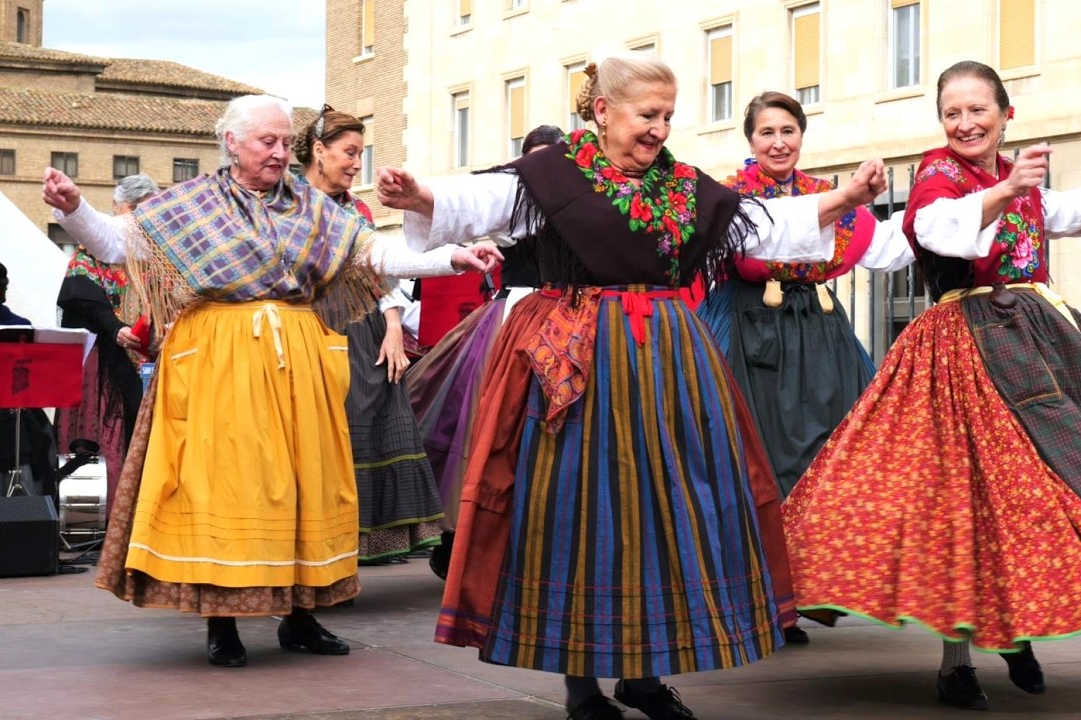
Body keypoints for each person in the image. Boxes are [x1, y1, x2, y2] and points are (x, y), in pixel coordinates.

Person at [378, 54, 902, 720]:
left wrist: (846, 201)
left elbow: (764, 227)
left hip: (664, 362)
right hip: (571, 361)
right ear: (602, 111)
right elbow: (484, 202)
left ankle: (645, 675)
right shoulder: (553, 176)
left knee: (662, 511)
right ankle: (580, 681)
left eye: (667, 116)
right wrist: (420, 197)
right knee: (574, 511)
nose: (659, 129)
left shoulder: (683, 187)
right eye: (646, 115)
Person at [781, 60, 1081, 711]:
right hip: (962, 353)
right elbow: (933, 227)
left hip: (1034, 347)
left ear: (1006, 114)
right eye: (952, 113)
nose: (965, 122)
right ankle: (958, 663)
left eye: (978, 110)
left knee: (1045, 500)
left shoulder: (1013, 179)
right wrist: (1004, 191)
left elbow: (1053, 211)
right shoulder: (938, 175)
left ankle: (1014, 632)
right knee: (960, 508)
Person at [41, 94, 501, 669]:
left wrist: (451, 258)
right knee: (224, 485)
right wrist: (74, 208)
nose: (282, 153)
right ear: (232, 143)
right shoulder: (190, 205)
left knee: (305, 482)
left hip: (300, 360)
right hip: (216, 362)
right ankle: (222, 622)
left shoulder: (311, 207)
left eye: (286, 142)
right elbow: (117, 244)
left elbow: (374, 252)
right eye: (269, 142)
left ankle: (301, 616)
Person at [698, 91, 906, 645]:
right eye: (767, 132)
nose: (778, 142)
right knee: (753, 460)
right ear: (750, 141)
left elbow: (884, 244)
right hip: (746, 330)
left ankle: (812, 584)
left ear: (801, 136)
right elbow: (739, 249)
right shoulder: (730, 196)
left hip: (818, 332)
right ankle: (758, 594)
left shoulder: (825, 193)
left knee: (834, 454)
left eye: (788, 130)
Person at [293, 105, 453, 564]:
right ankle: (320, 546)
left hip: (364, 333)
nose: (355, 164)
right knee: (326, 436)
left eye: (360, 154)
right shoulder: (289, 205)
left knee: (376, 423)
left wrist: (393, 329)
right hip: (312, 327)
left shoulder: (357, 209)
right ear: (319, 151)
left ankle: (361, 545)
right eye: (349, 153)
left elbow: (381, 273)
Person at [408, 123, 565, 582]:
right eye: (534, 159)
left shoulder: (577, 206)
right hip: (511, 318)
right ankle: (459, 538)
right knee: (479, 427)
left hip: (564, 318)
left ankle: (532, 541)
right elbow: (462, 208)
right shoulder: (509, 200)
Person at [55, 174, 158, 501]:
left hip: (149, 360)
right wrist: (116, 329)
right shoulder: (92, 250)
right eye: (136, 209)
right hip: (101, 363)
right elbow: (84, 300)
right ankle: (100, 513)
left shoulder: (152, 257)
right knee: (103, 433)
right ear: (118, 208)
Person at [0, 258, 58, 498]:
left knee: (14, 425)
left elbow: (31, 377)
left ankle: (8, 507)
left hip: (7, 410)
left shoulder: (18, 326)